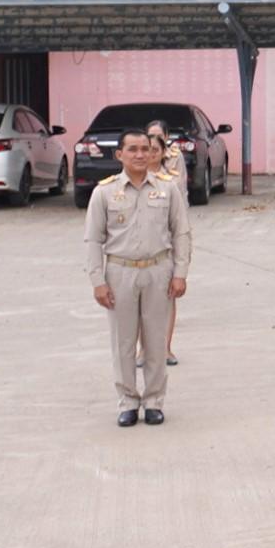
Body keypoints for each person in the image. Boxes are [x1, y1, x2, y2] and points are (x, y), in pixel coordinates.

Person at [85, 129, 192, 428]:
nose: (140, 155)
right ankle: (128, 401)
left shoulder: (168, 189)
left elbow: (181, 232)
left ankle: (155, 401)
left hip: (159, 269)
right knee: (123, 342)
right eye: (132, 149)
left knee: (156, 341)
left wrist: (180, 273)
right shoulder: (104, 192)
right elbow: (93, 240)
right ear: (119, 155)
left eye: (145, 149)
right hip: (120, 271)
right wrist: (98, 281)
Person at [145, 118, 186, 366]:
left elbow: (179, 222)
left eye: (154, 149)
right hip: (136, 254)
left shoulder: (170, 181)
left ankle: (166, 348)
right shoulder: (122, 183)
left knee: (166, 299)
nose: (147, 154)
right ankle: (143, 350)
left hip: (165, 248)